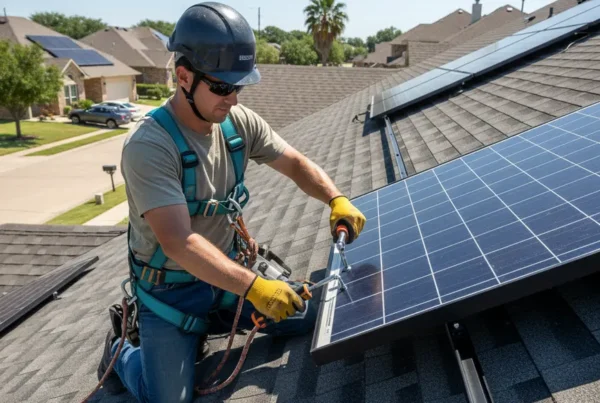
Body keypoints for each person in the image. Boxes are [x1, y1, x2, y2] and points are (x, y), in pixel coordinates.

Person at [96, 2, 367, 402]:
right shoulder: (150, 146)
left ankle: (218, 319)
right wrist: (255, 287)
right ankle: (121, 353)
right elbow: (177, 242)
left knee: (320, 314)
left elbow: (294, 163)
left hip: (226, 280)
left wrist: (336, 198)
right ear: (183, 76)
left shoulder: (237, 123)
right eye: (222, 87)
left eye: (238, 86)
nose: (233, 99)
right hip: (170, 294)